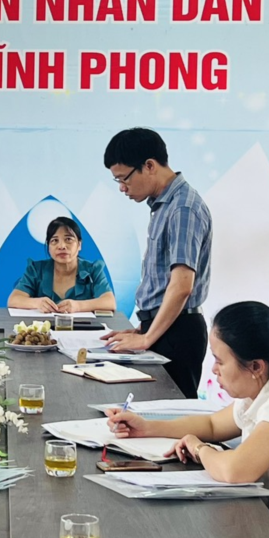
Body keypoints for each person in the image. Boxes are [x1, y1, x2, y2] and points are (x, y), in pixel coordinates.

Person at [106, 302, 269, 538]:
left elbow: (235, 471)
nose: (214, 370)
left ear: (256, 366)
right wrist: (147, 427)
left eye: (219, 361)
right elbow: (212, 425)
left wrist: (199, 448)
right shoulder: (261, 394)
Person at [102, 128, 212, 398]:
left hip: (179, 332)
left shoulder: (183, 208)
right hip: (164, 326)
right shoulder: (163, 205)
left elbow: (182, 286)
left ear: (149, 166)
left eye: (124, 178)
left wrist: (148, 339)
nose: (122, 187)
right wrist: (145, 328)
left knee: (171, 415)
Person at [10, 216, 116, 313]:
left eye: (68, 239)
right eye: (55, 240)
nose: (61, 246)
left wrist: (78, 306)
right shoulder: (36, 269)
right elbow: (14, 299)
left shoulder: (93, 269)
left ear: (79, 245)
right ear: (48, 246)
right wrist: (37, 303)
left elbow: (109, 302)